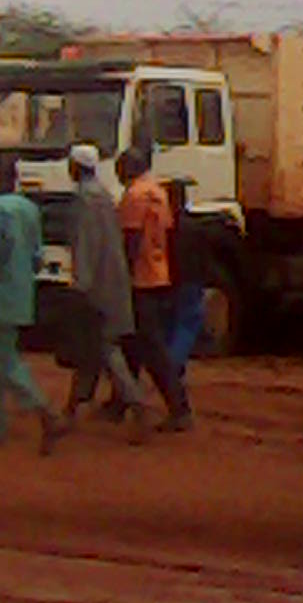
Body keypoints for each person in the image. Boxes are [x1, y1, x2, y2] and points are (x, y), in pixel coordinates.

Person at [0, 154, 66, 454]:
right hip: (24, 290)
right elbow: (37, 255)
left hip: (1, 294)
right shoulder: (30, 209)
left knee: (5, 360)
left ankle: (44, 410)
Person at [62, 143, 148, 443]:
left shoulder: (86, 200)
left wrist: (80, 286)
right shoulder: (105, 196)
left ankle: (137, 404)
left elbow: (87, 245)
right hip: (114, 282)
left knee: (105, 348)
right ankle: (69, 411)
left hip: (97, 287)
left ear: (75, 167)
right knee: (94, 350)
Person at [112, 147, 191, 432]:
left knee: (150, 348)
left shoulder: (134, 196)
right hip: (159, 273)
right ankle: (121, 401)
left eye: (120, 167)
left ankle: (179, 407)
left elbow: (131, 241)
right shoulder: (158, 192)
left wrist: (122, 276)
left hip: (140, 278)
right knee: (132, 343)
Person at [164, 178, 207, 420]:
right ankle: (175, 363)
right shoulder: (197, 226)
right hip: (192, 282)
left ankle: (173, 364)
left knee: (175, 326)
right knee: (188, 323)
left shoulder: (166, 227)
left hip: (172, 283)